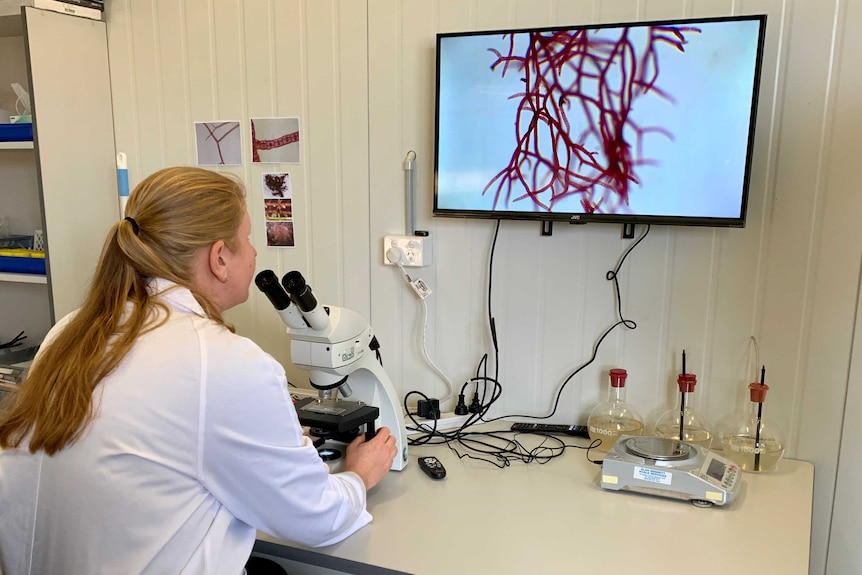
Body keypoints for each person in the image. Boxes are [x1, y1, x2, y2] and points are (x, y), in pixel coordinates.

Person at [0, 166, 398, 574]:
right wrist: (359, 475)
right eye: (246, 240)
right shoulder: (223, 360)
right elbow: (317, 518)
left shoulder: (71, 329)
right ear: (219, 258)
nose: (255, 253)